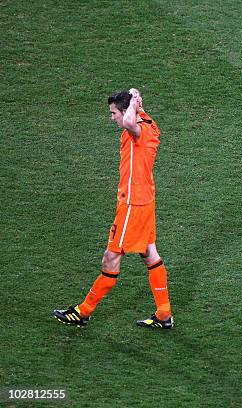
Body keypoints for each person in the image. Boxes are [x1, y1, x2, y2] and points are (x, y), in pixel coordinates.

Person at [53, 88, 174, 329]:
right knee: (149, 253)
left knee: (111, 257)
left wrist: (132, 105)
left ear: (126, 111)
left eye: (113, 113)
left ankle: (83, 311)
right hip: (145, 199)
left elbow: (130, 120)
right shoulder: (147, 120)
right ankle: (164, 314)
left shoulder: (138, 129)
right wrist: (135, 99)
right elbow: (134, 114)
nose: (112, 118)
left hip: (133, 204)